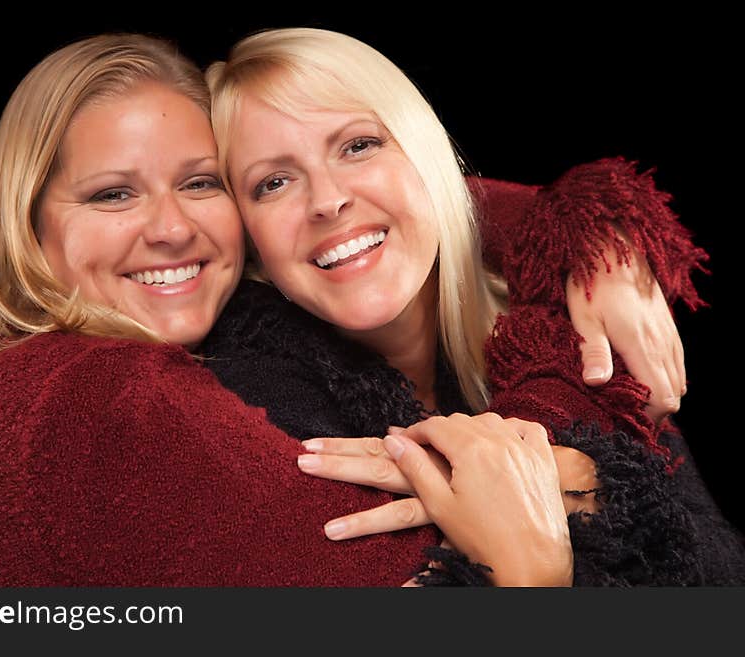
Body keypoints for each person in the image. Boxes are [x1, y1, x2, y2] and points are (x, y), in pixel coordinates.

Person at [0, 32, 726, 587]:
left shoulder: (545, 321)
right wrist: (556, 502)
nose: (171, 227)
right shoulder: (128, 401)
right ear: (27, 224)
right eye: (111, 193)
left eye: (198, 183)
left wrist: (593, 228)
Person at [202, 27, 745, 584]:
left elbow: (722, 587)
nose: (327, 200)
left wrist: (572, 476)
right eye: (272, 182)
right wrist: (572, 489)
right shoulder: (244, 412)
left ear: (425, 152)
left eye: (358, 145)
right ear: (248, 239)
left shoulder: (570, 327)